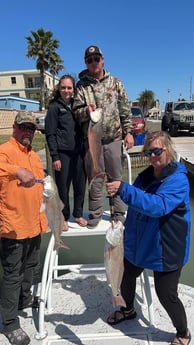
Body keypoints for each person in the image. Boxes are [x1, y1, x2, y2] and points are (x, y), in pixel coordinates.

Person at [106, 131, 191, 345]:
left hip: (166, 247)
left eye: (157, 151)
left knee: (166, 294)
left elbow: (158, 206)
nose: (152, 156)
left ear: (168, 150)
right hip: (140, 243)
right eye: (148, 152)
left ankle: (183, 332)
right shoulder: (144, 176)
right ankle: (128, 309)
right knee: (126, 275)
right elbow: (136, 205)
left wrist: (123, 189)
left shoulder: (178, 180)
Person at [0, 111, 48, 345]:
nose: (28, 132)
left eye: (31, 128)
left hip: (33, 225)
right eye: (24, 127)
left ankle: (24, 300)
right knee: (12, 275)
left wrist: (46, 221)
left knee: (31, 267)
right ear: (14, 129)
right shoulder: (5, 151)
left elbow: (40, 190)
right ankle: (9, 323)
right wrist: (16, 170)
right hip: (13, 226)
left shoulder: (35, 158)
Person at [73, 45, 134, 228]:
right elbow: (76, 111)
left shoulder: (115, 82)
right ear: (86, 63)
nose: (94, 62)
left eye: (96, 59)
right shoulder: (81, 85)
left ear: (103, 60)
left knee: (116, 177)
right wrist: (87, 111)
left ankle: (118, 213)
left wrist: (129, 131)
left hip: (114, 139)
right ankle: (96, 213)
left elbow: (125, 109)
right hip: (93, 141)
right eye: (89, 60)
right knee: (95, 178)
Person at [45, 74, 87, 231]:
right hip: (62, 154)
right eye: (63, 87)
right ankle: (64, 217)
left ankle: (78, 214)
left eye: (69, 87)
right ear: (59, 89)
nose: (66, 90)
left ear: (74, 89)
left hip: (79, 153)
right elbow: (50, 133)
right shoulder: (55, 107)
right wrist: (55, 156)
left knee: (80, 185)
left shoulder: (78, 106)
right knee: (62, 187)